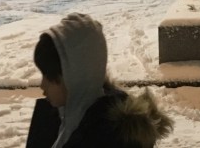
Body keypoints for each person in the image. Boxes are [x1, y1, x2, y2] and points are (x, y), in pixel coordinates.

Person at [26, 13, 174, 148]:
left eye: (50, 78)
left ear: (74, 77)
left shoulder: (115, 139)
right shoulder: (56, 118)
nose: (42, 85)